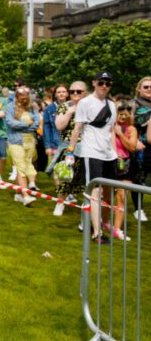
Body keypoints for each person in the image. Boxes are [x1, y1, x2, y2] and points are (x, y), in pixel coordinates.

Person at [66, 72, 117, 244]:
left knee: (108, 192)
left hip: (108, 153)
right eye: (101, 82)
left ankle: (90, 222)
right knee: (94, 191)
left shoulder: (112, 105)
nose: (104, 86)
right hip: (91, 151)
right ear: (94, 83)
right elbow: (77, 128)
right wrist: (70, 151)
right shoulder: (85, 103)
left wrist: (116, 154)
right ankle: (97, 232)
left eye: (108, 83)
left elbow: (111, 131)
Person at [4, 87, 41, 206]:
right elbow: (10, 123)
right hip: (15, 141)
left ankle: (18, 193)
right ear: (16, 96)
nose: (24, 98)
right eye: (21, 96)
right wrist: (26, 124)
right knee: (21, 166)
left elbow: (36, 124)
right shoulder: (10, 107)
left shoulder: (33, 107)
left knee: (27, 163)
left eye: (26, 96)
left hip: (30, 140)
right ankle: (26, 196)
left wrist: (26, 126)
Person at [112, 102, 139, 240]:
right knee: (104, 195)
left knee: (122, 197)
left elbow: (132, 147)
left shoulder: (131, 129)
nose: (123, 115)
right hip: (109, 163)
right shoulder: (108, 127)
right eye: (120, 112)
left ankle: (117, 229)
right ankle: (101, 223)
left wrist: (120, 134)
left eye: (126, 112)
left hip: (126, 166)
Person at [132, 76, 151, 222]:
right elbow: (128, 123)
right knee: (139, 177)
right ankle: (138, 209)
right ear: (139, 89)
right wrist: (135, 139)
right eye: (146, 87)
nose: (149, 89)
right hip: (142, 146)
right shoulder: (134, 104)